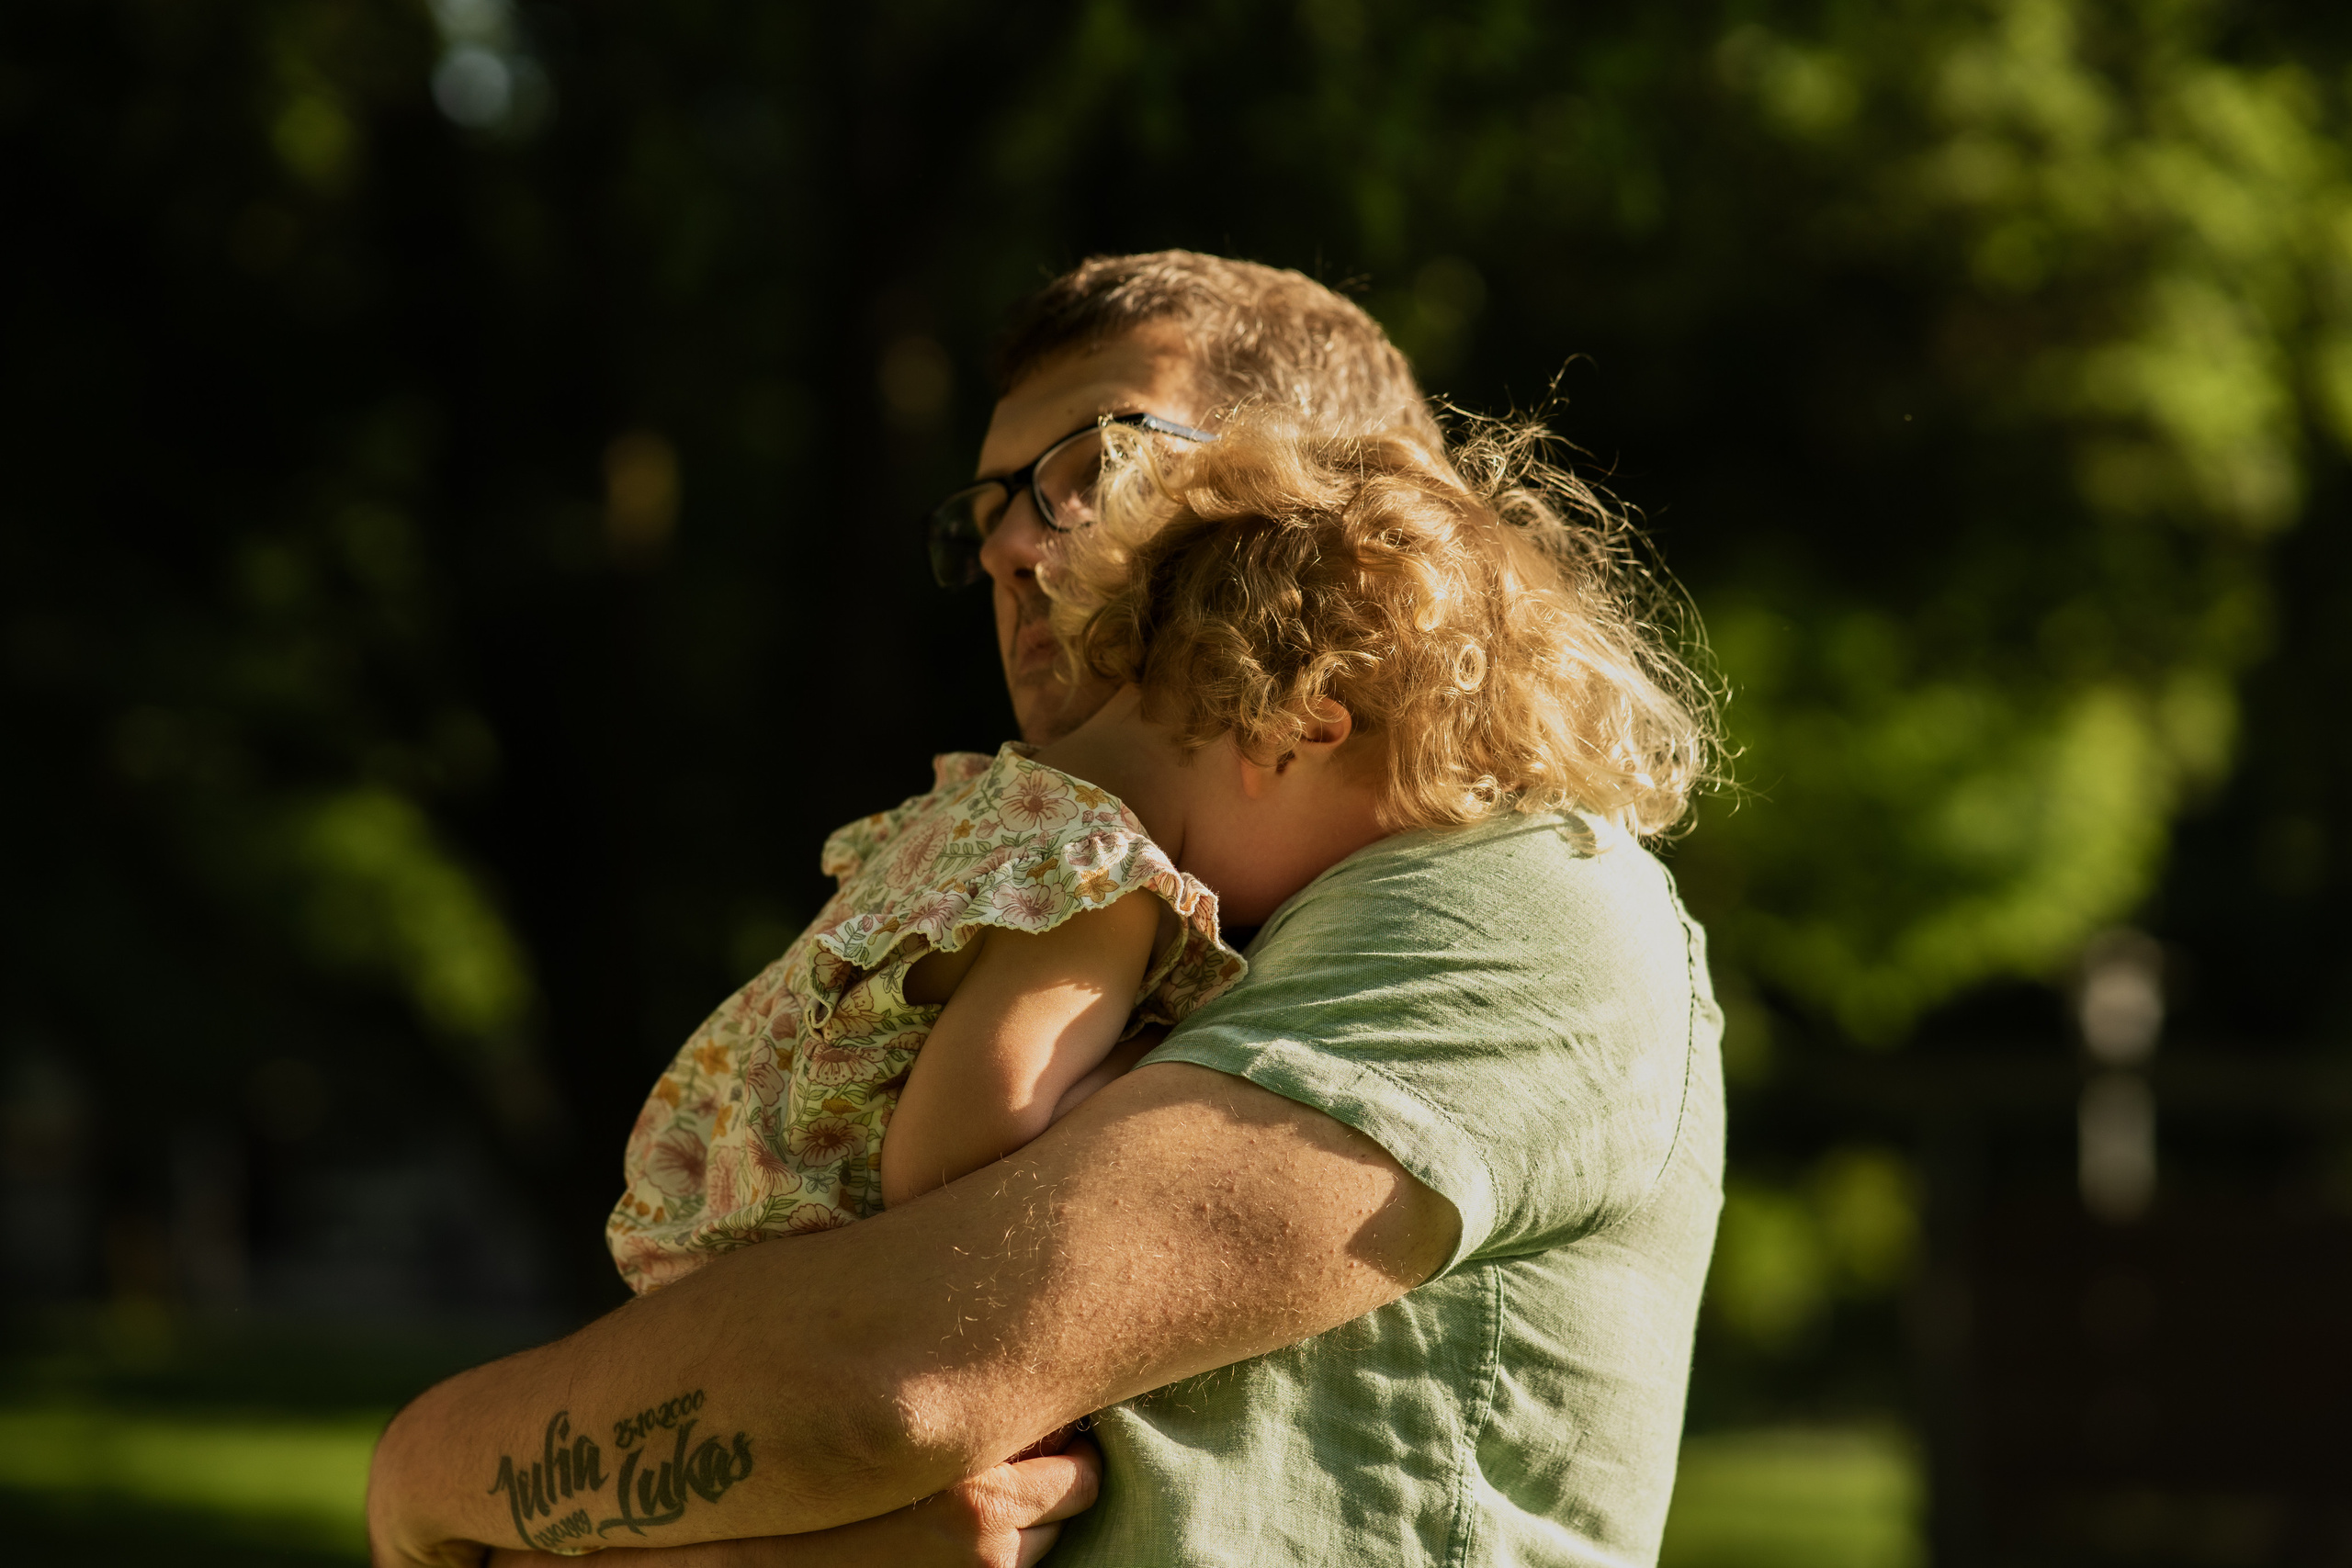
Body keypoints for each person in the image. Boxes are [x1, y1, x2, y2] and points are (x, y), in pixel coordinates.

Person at [367, 252, 1726, 1568]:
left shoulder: (1524, 896)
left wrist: (436, 1475)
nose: (1015, 542)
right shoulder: (1069, 875)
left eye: (1099, 469)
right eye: (988, 510)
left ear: (1322, 509)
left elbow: (896, 1369)